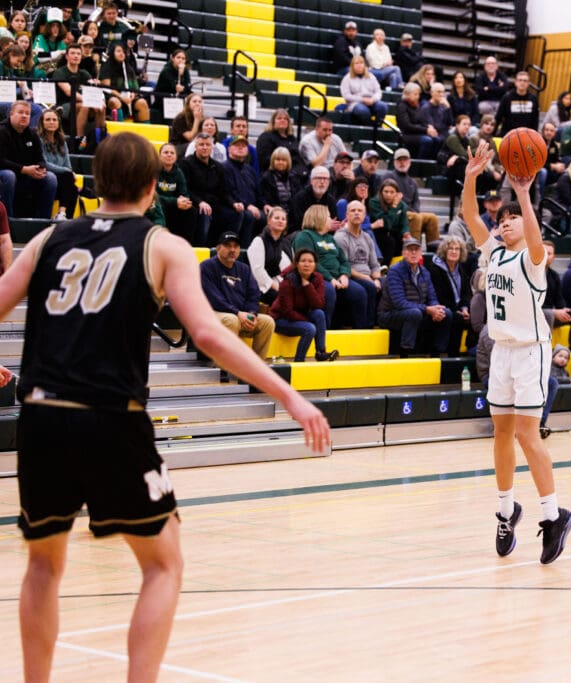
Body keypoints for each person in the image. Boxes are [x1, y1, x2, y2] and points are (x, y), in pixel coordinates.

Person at [7, 131, 329, 683]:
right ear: (153, 187)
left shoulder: (51, 237)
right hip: (109, 415)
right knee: (163, 565)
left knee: (42, 565)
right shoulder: (163, 243)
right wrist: (289, 395)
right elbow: (207, 332)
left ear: (90, 182)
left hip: (39, 413)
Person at [461, 140, 571, 564]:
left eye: (512, 220)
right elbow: (471, 216)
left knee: (527, 433)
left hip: (530, 352)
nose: (505, 224)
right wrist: (471, 177)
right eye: (502, 219)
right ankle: (507, 511)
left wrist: (524, 194)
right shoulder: (492, 253)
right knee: (501, 434)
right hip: (502, 352)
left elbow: (536, 238)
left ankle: (554, 515)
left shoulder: (533, 259)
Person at [200, 231, 276, 359]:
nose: (232, 250)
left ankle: (257, 366)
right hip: (213, 313)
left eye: (236, 246)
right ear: (218, 248)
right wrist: (237, 312)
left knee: (268, 322)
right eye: (228, 246)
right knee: (231, 320)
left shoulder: (244, 269)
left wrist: (251, 313)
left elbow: (253, 294)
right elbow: (214, 299)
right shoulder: (206, 267)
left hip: (240, 315)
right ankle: (225, 366)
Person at [292, 204, 368, 329]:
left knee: (359, 292)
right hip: (314, 278)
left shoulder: (330, 238)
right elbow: (310, 264)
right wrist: (330, 278)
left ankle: (361, 331)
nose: (331, 220)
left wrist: (344, 275)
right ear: (319, 218)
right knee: (328, 291)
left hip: (337, 278)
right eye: (328, 216)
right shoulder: (304, 236)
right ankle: (325, 331)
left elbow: (344, 261)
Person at [378, 238, 451, 356]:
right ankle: (406, 353)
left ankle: (438, 352)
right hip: (389, 314)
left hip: (417, 311)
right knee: (414, 313)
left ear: (421, 253)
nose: (413, 253)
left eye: (416, 250)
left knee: (445, 313)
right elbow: (399, 303)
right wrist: (427, 309)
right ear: (403, 253)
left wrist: (436, 309)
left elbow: (432, 297)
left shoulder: (425, 272)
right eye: (409, 249)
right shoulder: (395, 271)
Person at [269, 248, 339, 362]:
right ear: (296, 263)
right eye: (303, 261)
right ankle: (299, 361)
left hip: (301, 316)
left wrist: (307, 286)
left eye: (310, 261)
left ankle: (320, 352)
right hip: (281, 319)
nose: (307, 264)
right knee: (310, 328)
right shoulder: (287, 282)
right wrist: (307, 321)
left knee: (319, 314)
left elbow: (319, 304)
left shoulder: (317, 278)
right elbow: (288, 312)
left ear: (315, 264)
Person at [0, 101, 57, 219]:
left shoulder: (32, 133)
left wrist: (40, 168)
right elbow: (1, 161)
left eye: (27, 113)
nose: (24, 116)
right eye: (20, 112)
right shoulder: (2, 131)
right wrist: (24, 169)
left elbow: (40, 158)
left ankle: (42, 221)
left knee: (50, 178)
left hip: (27, 173)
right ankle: (8, 220)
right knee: (9, 176)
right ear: (11, 114)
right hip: (5, 172)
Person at [181, 132, 236, 247]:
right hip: (196, 204)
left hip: (215, 205)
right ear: (195, 146)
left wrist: (234, 204)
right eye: (201, 145)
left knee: (236, 215)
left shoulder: (218, 167)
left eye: (207, 145)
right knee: (204, 214)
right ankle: (201, 249)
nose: (205, 147)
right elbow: (185, 189)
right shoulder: (186, 163)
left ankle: (226, 247)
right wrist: (200, 202)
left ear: (212, 147)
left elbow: (223, 192)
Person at [333, 200, 382, 326]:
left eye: (360, 211)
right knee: (368, 287)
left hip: (368, 277)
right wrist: (367, 278)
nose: (356, 213)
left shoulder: (367, 237)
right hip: (349, 277)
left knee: (387, 284)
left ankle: (380, 325)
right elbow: (343, 266)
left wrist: (376, 278)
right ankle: (365, 327)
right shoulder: (340, 237)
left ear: (364, 216)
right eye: (353, 211)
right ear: (346, 215)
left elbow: (374, 264)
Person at [52, 42, 105, 151]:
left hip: (83, 102)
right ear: (67, 56)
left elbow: (92, 91)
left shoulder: (84, 73)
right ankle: (79, 140)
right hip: (64, 105)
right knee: (85, 105)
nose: (76, 56)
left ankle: (99, 139)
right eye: (72, 53)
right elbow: (69, 92)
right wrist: (90, 100)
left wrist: (96, 94)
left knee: (101, 106)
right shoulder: (60, 72)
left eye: (78, 54)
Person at [426, 235, 474, 356]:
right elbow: (439, 295)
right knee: (456, 318)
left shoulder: (461, 269)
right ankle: (449, 355)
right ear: (444, 251)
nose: (454, 251)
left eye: (457, 249)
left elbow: (466, 293)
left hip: (458, 309)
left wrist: (465, 308)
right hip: (441, 307)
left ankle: (472, 351)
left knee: (475, 317)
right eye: (450, 248)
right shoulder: (436, 269)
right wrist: (456, 311)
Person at [387, 147, 441, 245]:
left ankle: (434, 254)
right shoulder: (388, 178)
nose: (402, 162)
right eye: (399, 160)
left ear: (409, 162)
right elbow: (390, 199)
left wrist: (415, 211)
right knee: (416, 217)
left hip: (411, 213)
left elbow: (416, 201)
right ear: (394, 162)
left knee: (432, 218)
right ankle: (414, 248)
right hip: (396, 212)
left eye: (405, 160)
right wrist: (411, 211)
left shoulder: (413, 182)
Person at [222, 134, 265, 245]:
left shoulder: (250, 170)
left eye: (243, 145)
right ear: (229, 149)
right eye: (237, 145)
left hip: (253, 207)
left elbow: (259, 193)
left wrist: (265, 205)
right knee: (248, 216)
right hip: (234, 207)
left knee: (270, 216)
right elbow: (228, 192)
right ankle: (244, 251)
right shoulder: (224, 167)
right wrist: (247, 205)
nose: (240, 147)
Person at [541, 240, 571, 352]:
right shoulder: (528, 273)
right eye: (543, 252)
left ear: (553, 257)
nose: (546, 255)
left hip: (549, 314)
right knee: (549, 314)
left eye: (549, 253)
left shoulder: (554, 275)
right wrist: (554, 312)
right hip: (532, 315)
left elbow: (559, 300)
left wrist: (564, 310)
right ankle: (546, 352)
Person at [37, 108, 77, 220]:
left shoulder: (62, 141)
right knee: (68, 178)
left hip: (62, 183)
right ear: (42, 122)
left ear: (58, 123)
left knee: (71, 186)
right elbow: (45, 164)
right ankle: (64, 216)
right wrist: (67, 171)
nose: (51, 122)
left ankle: (63, 216)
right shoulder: (38, 140)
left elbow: (68, 165)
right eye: (48, 119)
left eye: (54, 120)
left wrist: (68, 171)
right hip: (46, 180)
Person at [248, 205, 292, 306]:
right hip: (262, 287)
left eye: (283, 219)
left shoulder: (286, 243)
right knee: (285, 299)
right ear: (268, 221)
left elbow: (290, 268)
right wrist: (277, 286)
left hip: (280, 283)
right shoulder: (259, 241)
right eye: (276, 218)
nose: (280, 221)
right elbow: (258, 271)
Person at [156, 143, 197, 244]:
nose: (169, 155)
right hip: (157, 205)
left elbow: (184, 193)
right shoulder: (153, 170)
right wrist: (175, 201)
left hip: (174, 205)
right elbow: (153, 196)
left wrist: (184, 202)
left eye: (172, 153)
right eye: (166, 152)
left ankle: (185, 244)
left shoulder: (178, 173)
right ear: (159, 156)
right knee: (160, 207)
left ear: (176, 156)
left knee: (191, 210)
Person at [100, 41, 149, 123]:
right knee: (115, 102)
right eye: (118, 51)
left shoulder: (128, 68)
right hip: (113, 96)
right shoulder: (106, 67)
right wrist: (121, 97)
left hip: (128, 98)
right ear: (113, 52)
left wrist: (133, 94)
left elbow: (135, 87)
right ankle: (121, 130)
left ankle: (146, 132)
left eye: (123, 52)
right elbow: (107, 88)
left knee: (142, 103)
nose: (121, 54)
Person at [287, 166, 342, 237]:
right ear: (311, 181)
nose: (322, 182)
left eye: (325, 179)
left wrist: (339, 226)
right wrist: (325, 226)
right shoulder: (299, 198)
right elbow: (302, 223)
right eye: (319, 178)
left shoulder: (331, 200)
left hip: (325, 235)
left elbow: (333, 222)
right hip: (302, 234)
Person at [367, 177, 410, 266]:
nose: (388, 195)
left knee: (405, 242)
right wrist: (394, 206)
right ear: (381, 192)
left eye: (392, 192)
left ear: (397, 193)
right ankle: (384, 268)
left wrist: (405, 232)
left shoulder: (401, 205)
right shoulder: (374, 202)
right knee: (390, 242)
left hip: (394, 233)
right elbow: (386, 223)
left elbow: (404, 223)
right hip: (379, 233)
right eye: (386, 192)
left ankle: (397, 268)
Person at [339, 55, 387, 126]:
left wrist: (373, 100)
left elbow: (378, 92)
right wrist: (362, 99)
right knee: (362, 110)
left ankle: (378, 126)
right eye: (357, 63)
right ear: (352, 66)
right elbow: (346, 96)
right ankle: (370, 128)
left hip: (371, 102)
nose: (359, 65)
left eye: (361, 63)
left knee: (383, 106)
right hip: (355, 103)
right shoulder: (347, 79)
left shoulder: (371, 77)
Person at [260, 146, 304, 223]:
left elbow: (298, 196)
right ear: (273, 161)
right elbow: (262, 196)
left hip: (291, 211)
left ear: (288, 162)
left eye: (283, 160)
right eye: (278, 159)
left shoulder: (294, 177)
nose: (280, 162)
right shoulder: (266, 177)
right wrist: (267, 205)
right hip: (274, 210)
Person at [256, 109, 304, 174]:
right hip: (273, 174)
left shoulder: (292, 138)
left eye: (285, 119)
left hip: (294, 173)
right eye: (279, 118)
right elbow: (265, 160)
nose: (282, 120)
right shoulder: (266, 137)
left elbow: (298, 159)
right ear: (273, 122)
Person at [495, 71, 539, 135]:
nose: (522, 82)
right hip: (509, 134)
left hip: (526, 135)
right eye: (520, 80)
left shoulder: (533, 99)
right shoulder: (507, 98)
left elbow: (535, 120)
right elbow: (498, 117)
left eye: (525, 81)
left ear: (528, 83)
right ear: (515, 82)